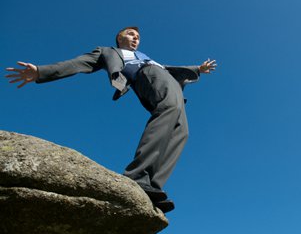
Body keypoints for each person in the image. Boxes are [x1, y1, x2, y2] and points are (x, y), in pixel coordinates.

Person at [5, 26, 217, 214]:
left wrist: (198, 69)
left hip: (169, 81)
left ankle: (153, 185)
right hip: (147, 75)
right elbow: (78, 63)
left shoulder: (149, 56)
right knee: (167, 109)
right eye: (131, 34)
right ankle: (137, 176)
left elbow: (171, 69)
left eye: (138, 37)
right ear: (119, 38)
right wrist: (41, 72)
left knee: (182, 132)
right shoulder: (108, 52)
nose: (136, 38)